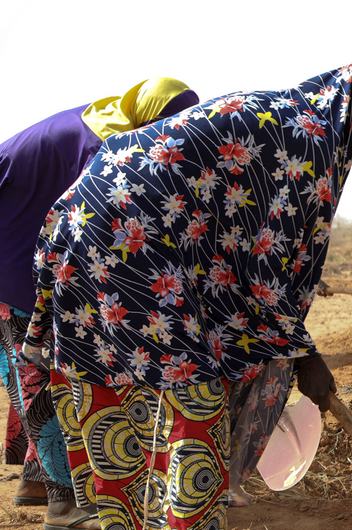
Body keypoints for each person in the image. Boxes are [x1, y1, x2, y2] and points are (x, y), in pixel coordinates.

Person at [23, 61, 352, 529]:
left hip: (81, 231)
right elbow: (263, 270)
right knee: (195, 397)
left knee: (117, 397)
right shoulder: (305, 139)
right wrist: (304, 355)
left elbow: (231, 247)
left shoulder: (281, 116)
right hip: (136, 244)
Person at [0, 77, 198, 530]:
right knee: (40, 380)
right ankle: (63, 504)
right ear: (149, 117)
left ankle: (38, 479)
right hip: (14, 260)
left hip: (33, 248)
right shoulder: (106, 146)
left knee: (48, 375)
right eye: (166, 127)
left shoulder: (105, 121)